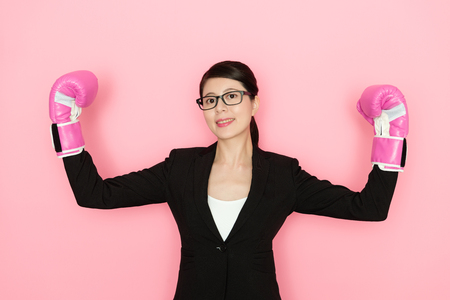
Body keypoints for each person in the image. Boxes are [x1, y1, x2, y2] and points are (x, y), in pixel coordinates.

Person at [49, 61, 408, 300]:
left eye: (232, 97)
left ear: (253, 103)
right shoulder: (180, 167)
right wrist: (67, 124)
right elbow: (95, 195)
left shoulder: (284, 174)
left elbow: (369, 208)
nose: (220, 108)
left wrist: (389, 136)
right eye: (210, 100)